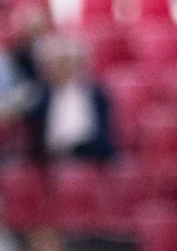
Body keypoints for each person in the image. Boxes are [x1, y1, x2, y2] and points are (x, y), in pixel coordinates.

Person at [27, 33, 113, 165]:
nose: (63, 69)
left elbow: (104, 134)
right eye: (58, 64)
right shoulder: (41, 95)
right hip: (52, 160)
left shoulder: (95, 94)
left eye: (68, 63)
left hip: (90, 156)